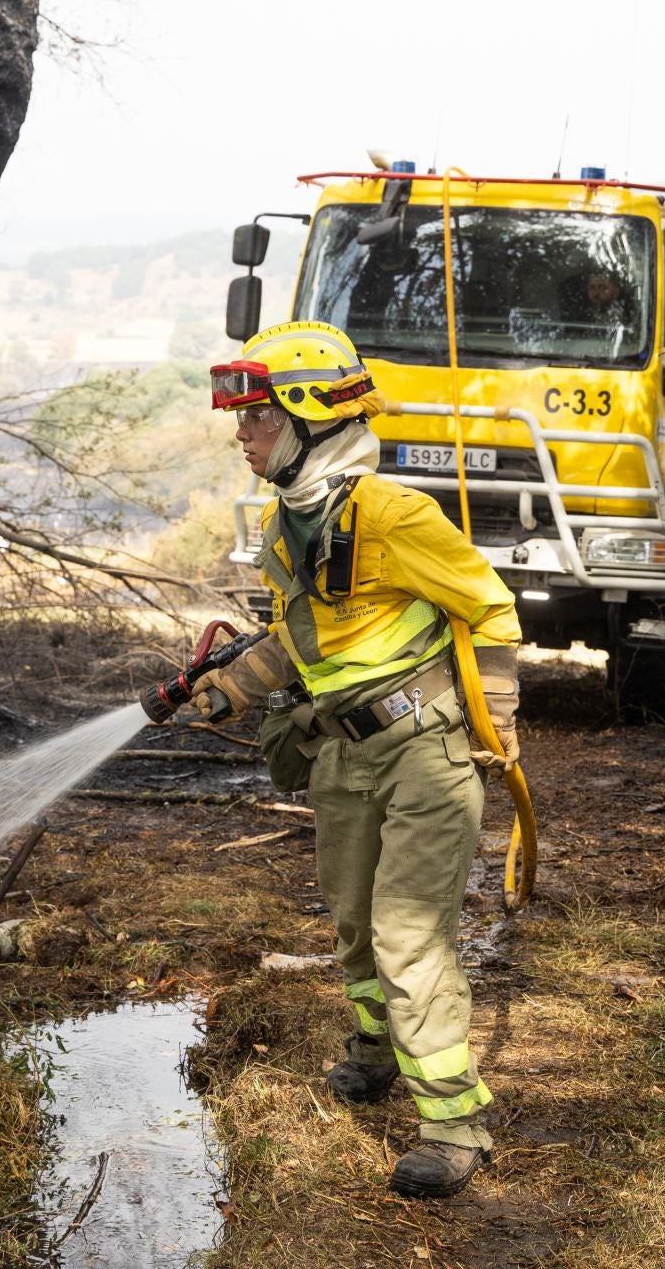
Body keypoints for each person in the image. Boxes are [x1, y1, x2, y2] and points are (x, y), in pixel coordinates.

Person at [195, 320, 521, 1198]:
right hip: (343, 754)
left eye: (256, 418)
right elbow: (299, 639)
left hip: (424, 754)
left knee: (410, 937)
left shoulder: (395, 515)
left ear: (308, 419)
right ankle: (376, 1050)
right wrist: (235, 686)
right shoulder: (284, 524)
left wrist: (499, 721)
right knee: (354, 926)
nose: (242, 435)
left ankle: (454, 1124)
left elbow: (491, 609)